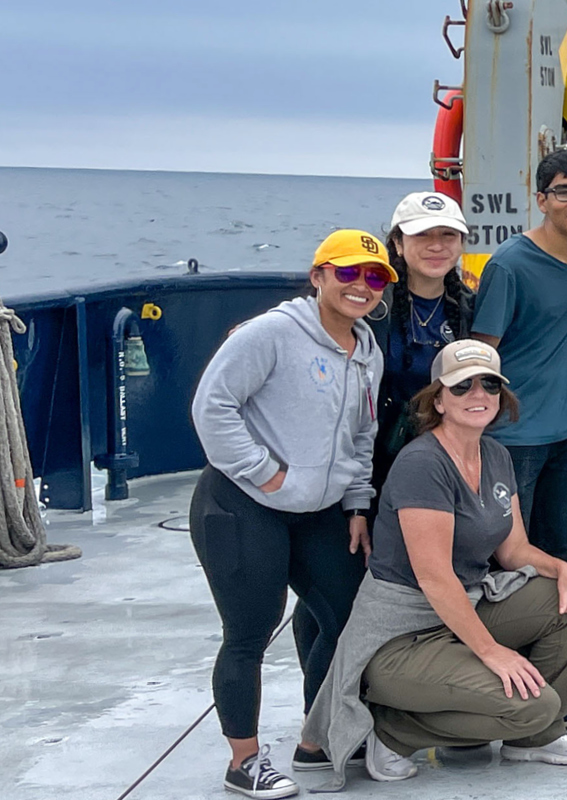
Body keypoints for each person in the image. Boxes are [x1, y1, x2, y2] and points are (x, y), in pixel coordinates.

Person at [298, 340, 567, 787]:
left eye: (490, 385)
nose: (478, 395)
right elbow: (434, 578)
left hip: (464, 610)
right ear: (438, 399)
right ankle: (394, 730)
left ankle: (532, 741)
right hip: (403, 637)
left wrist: (563, 568)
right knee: (534, 705)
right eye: (462, 387)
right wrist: (493, 652)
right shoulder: (422, 463)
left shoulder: (494, 455)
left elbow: (513, 551)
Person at [189, 230, 387, 798]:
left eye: (374, 278)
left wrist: (356, 504)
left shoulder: (365, 350)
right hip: (242, 505)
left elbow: (362, 433)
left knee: (348, 617)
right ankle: (243, 761)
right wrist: (263, 471)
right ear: (319, 275)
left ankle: (317, 737)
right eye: (347, 273)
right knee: (248, 633)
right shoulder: (272, 333)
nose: (361, 287)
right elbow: (212, 405)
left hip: (320, 511)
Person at [471, 149, 567, 564]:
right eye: (564, 192)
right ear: (541, 200)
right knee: (507, 556)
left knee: (562, 552)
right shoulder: (510, 265)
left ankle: (551, 631)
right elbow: (481, 354)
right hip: (514, 436)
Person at [373, 193, 476, 486]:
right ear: (397, 244)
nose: (436, 245)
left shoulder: (471, 309)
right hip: (378, 458)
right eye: (422, 235)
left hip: (449, 460)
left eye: (448, 235)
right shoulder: (373, 305)